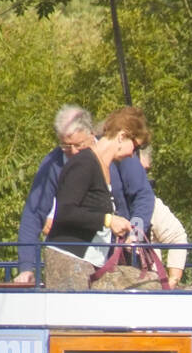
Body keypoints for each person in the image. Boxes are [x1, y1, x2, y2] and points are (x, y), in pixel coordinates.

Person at [14, 105, 156, 284]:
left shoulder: (122, 159)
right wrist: (26, 266)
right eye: (66, 146)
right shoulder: (65, 163)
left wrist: (135, 232)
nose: (73, 152)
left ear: (91, 134)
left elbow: (144, 195)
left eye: (78, 145)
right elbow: (41, 212)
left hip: (107, 254)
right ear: (121, 137)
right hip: (77, 257)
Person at [47, 106, 149, 255]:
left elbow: (144, 197)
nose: (133, 155)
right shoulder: (84, 163)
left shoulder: (102, 165)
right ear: (121, 136)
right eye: (135, 147)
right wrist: (108, 220)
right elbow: (65, 211)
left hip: (88, 261)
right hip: (69, 259)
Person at [138, 144, 189, 289]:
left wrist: (171, 283)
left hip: (146, 290)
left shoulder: (150, 202)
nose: (142, 178)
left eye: (145, 172)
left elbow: (177, 237)